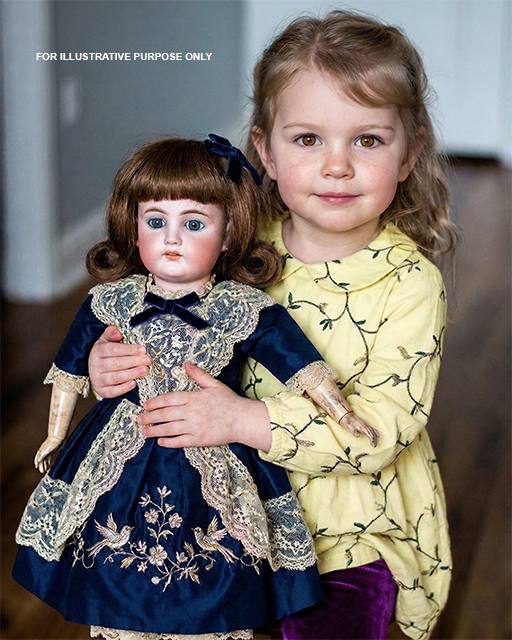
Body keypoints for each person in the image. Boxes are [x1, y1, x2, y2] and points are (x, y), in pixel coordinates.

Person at [88, 10, 458, 640]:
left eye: (368, 141)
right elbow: (160, 322)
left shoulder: (409, 284)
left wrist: (242, 420)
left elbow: (383, 429)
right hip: (221, 514)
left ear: (409, 154)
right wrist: (112, 365)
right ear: (265, 150)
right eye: (308, 139)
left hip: (347, 535)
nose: (337, 165)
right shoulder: (232, 249)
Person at [13, 135, 380, 640]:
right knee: (111, 567)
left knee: (217, 567)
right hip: (122, 450)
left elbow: (297, 362)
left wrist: (341, 411)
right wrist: (56, 433)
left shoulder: (239, 308)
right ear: (133, 227)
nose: (172, 238)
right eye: (155, 221)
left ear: (227, 236)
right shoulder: (111, 301)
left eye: (193, 223)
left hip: (213, 447)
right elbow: (70, 369)